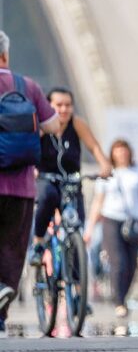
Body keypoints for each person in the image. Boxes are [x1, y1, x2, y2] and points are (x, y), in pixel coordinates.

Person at [0, 30, 59, 338]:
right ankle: (2, 300)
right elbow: (53, 124)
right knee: (12, 247)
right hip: (22, 186)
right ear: (6, 55)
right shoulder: (29, 86)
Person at [29, 87, 112, 266]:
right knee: (46, 197)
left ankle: (75, 282)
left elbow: (94, 147)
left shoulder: (77, 124)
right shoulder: (42, 124)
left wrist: (105, 165)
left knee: (77, 225)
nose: (64, 109)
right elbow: (29, 148)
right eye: (59, 105)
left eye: (68, 105)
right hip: (47, 178)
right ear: (48, 106)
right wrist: (31, 168)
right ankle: (38, 243)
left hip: (71, 180)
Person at [83, 139, 138, 320]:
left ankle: (123, 295)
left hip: (134, 222)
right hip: (112, 220)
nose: (121, 154)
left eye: (124, 151)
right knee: (118, 262)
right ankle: (119, 302)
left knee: (131, 263)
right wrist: (89, 228)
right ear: (112, 154)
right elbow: (98, 202)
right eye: (117, 151)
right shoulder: (108, 174)